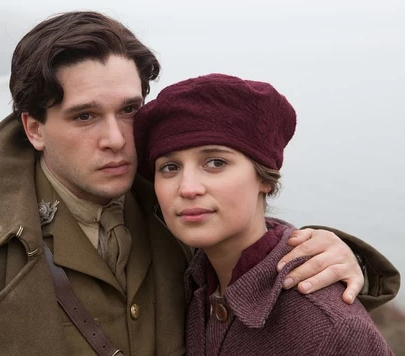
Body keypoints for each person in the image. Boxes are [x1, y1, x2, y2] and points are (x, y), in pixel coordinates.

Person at [0, 12, 399, 355]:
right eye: (85, 116)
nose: (115, 139)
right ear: (34, 128)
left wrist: (330, 250)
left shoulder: (181, 220)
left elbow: (256, 263)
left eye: (129, 110)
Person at [134, 73, 396, 355]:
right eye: (170, 167)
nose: (187, 188)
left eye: (216, 163)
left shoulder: (332, 328)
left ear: (265, 178)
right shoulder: (190, 285)